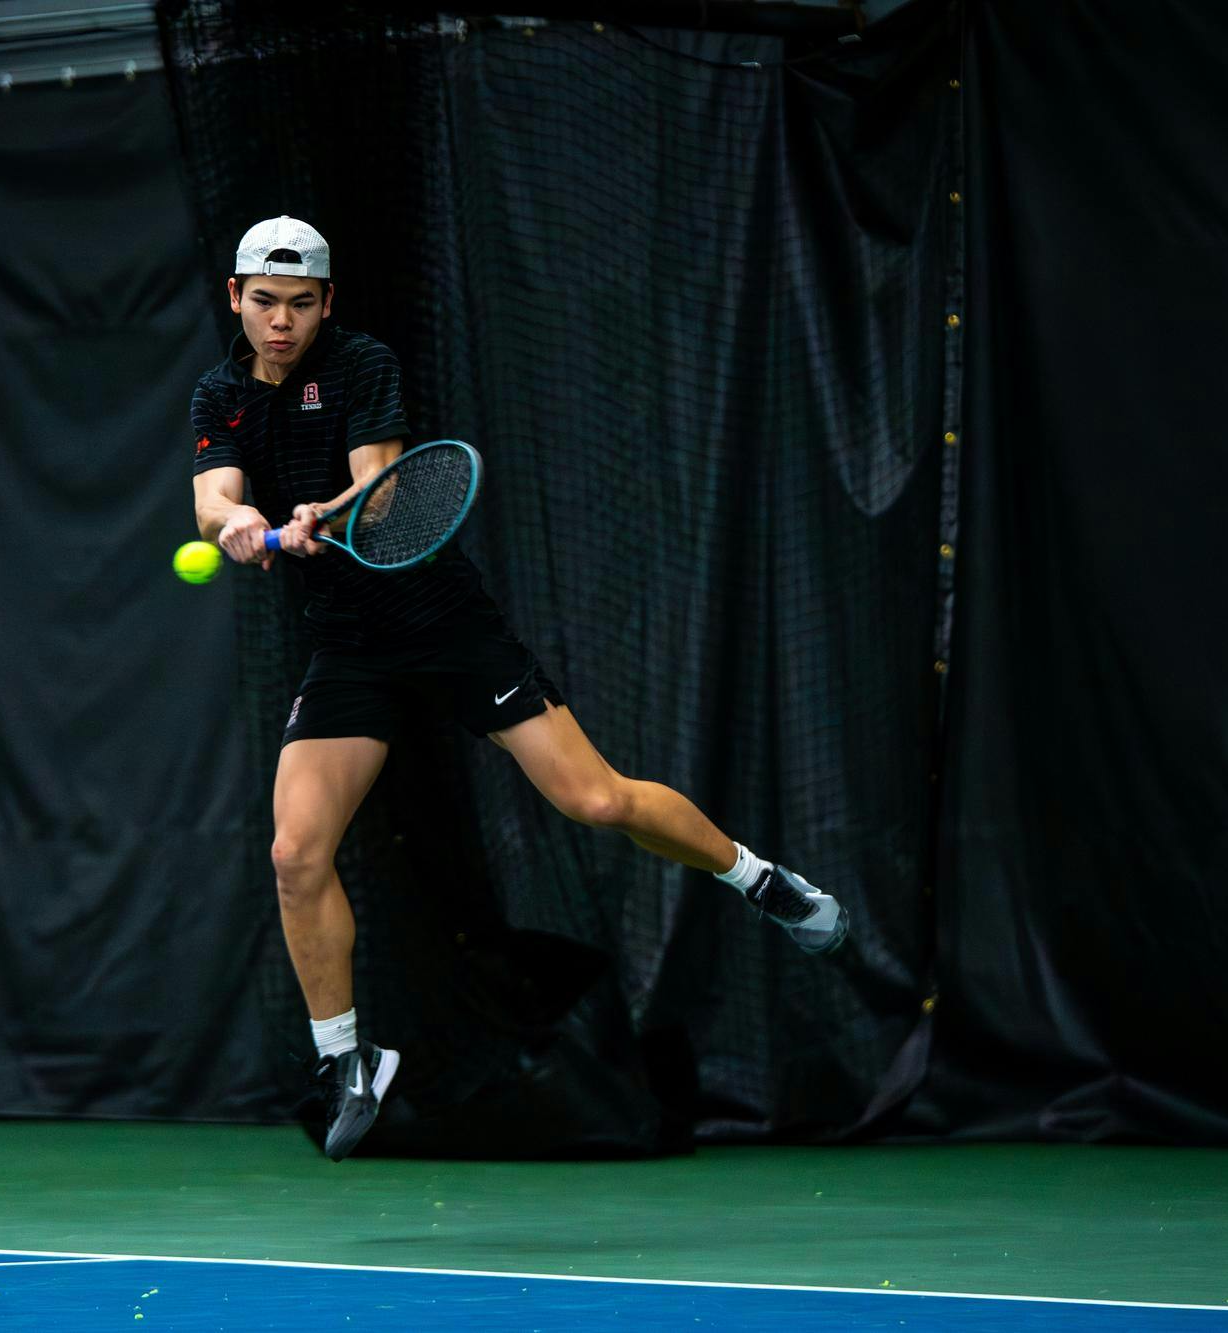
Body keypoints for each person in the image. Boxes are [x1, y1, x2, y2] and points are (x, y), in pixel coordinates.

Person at [190, 216, 849, 1162]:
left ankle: (760, 878)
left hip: (443, 625)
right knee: (296, 851)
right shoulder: (220, 391)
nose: (282, 323)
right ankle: (347, 1058)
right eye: (264, 303)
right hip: (348, 645)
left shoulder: (363, 362)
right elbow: (211, 498)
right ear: (236, 299)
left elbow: (380, 495)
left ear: (327, 302)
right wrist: (239, 520)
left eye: (300, 304)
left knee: (596, 797)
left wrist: (318, 514)